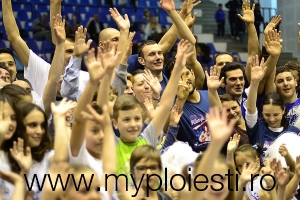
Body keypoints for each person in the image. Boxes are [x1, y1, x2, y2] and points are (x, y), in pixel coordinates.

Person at [246, 56, 300, 151]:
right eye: (267, 114)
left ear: (283, 110)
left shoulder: (294, 131)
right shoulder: (258, 127)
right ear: (261, 112)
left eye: (276, 114)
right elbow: (250, 110)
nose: (271, 119)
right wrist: (254, 82)